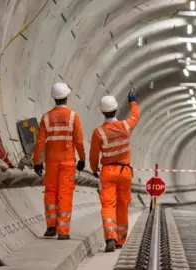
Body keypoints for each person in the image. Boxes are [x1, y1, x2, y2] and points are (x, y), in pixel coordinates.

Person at [33, 82, 86, 240]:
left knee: (50, 192)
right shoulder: (73, 117)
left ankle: (50, 227)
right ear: (66, 97)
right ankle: (63, 231)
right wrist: (82, 159)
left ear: (54, 98)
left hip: (51, 162)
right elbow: (79, 141)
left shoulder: (46, 117)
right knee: (64, 194)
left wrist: (37, 161)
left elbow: (40, 142)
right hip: (68, 162)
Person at [89, 92, 140, 252]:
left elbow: (94, 154)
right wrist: (133, 102)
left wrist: (93, 169)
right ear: (116, 109)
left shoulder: (99, 133)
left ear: (102, 112)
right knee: (122, 204)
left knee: (108, 205)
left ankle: (110, 236)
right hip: (124, 172)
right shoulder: (125, 126)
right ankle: (121, 239)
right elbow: (135, 117)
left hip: (108, 172)